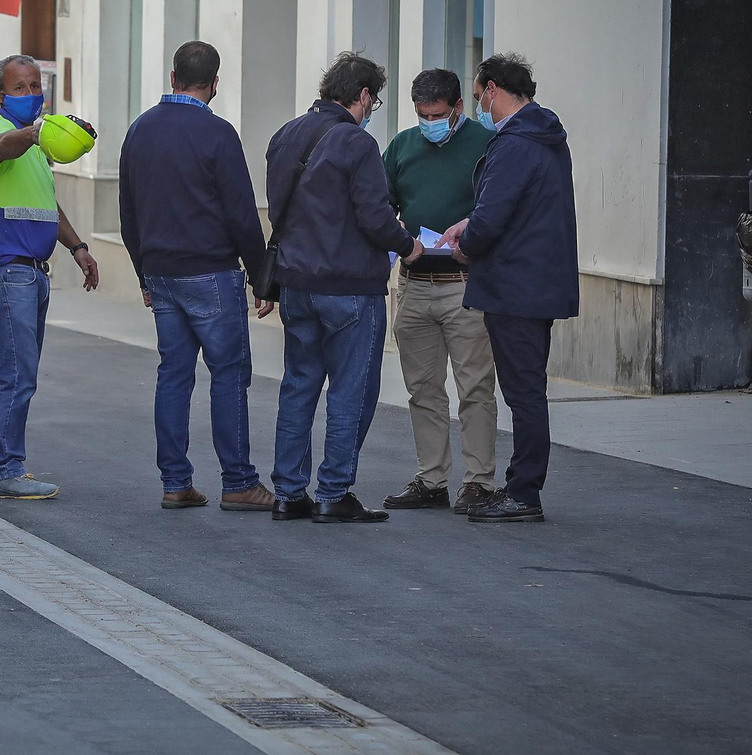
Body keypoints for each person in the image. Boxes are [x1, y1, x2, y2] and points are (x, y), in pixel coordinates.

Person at [263, 52, 424, 524]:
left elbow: (278, 209)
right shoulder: (357, 142)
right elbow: (375, 217)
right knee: (350, 390)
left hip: (296, 282)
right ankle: (334, 492)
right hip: (351, 283)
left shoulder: (286, 134)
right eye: (374, 99)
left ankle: (288, 493)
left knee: (298, 387)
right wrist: (407, 244)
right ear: (364, 96)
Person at [118, 41, 276, 512]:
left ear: (172, 78)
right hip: (211, 272)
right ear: (215, 83)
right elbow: (242, 215)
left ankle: (175, 481)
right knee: (228, 375)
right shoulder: (218, 134)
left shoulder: (139, 131)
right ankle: (239, 482)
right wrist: (260, 276)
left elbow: (129, 213)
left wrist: (143, 273)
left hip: (162, 273)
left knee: (174, 375)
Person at [439, 53, 578, 524]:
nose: (481, 107)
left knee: (522, 393)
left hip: (515, 284)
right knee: (527, 389)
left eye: (480, 98)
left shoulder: (514, 142)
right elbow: (515, 208)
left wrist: (467, 244)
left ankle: (524, 494)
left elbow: (495, 215)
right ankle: (523, 488)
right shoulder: (544, 136)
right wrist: (470, 225)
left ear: (494, 90)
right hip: (535, 280)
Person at [0, 53, 100, 501]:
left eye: (35, 87)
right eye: (19, 88)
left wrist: (78, 247)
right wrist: (34, 132)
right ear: (0, 95)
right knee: (17, 374)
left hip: (28, 273)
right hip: (7, 272)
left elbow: (46, 204)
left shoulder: (36, 150)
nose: (29, 95)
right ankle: (6, 469)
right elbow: (1, 149)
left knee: (9, 372)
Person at [380, 69, 498, 517]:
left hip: (464, 285)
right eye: (422, 114)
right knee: (423, 389)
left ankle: (479, 482)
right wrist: (395, 230)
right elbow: (380, 203)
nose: (430, 122)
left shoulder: (485, 146)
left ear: (458, 109)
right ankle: (431, 479)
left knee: (475, 388)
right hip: (414, 285)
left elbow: (496, 208)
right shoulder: (403, 147)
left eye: (438, 114)